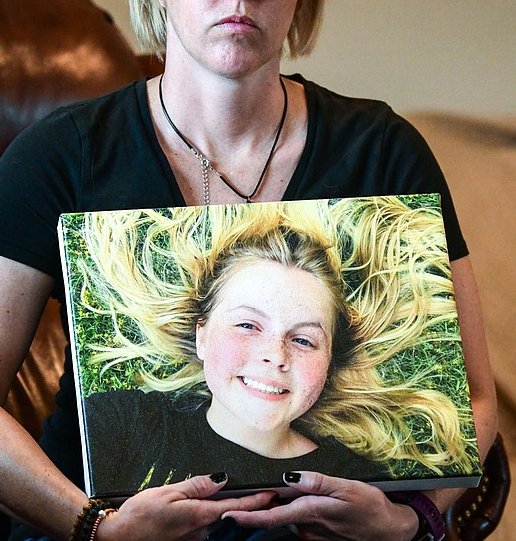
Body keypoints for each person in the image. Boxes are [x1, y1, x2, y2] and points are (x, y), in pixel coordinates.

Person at [0, 0, 498, 541]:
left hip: (319, 534)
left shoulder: (383, 151)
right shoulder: (61, 154)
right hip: (89, 536)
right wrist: (91, 524)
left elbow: (479, 396)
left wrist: (411, 519)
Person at [74, 200, 478, 499]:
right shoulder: (123, 423)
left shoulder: (354, 482)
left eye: (303, 340)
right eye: (248, 325)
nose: (276, 355)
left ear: (330, 361)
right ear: (201, 335)